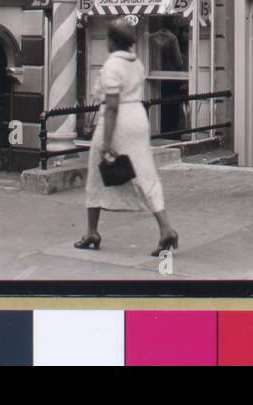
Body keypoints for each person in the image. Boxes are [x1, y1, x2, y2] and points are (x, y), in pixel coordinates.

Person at [75, 19, 178, 256]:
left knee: (96, 172)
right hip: (137, 117)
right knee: (145, 173)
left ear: (112, 41)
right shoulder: (137, 63)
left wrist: (107, 143)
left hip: (117, 120)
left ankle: (92, 231)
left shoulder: (112, 66)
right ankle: (165, 227)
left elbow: (111, 107)